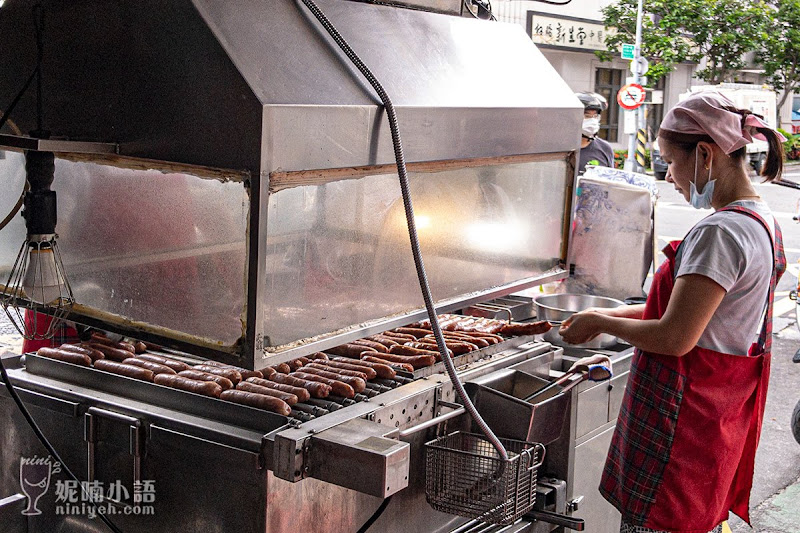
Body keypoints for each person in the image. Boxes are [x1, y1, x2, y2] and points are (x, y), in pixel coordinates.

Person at [559, 91, 786, 533]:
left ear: (705, 155)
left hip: (683, 425)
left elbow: (675, 336)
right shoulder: (762, 221)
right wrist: (606, 312)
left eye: (671, 163)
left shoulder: (721, 231)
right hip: (715, 420)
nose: (671, 177)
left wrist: (602, 322)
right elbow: (686, 313)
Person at [576, 91, 615, 172]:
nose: (592, 120)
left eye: (595, 116)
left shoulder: (604, 148)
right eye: (587, 116)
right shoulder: (560, 149)